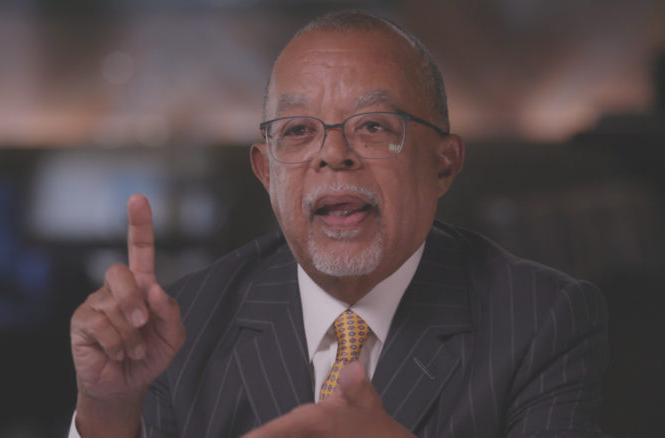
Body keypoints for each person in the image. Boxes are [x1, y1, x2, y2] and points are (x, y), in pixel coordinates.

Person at [68, 10, 608, 438]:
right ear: (266, 170)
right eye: (299, 131)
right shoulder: (179, 329)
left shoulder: (542, 319)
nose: (333, 154)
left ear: (443, 163)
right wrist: (110, 413)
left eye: (373, 126)